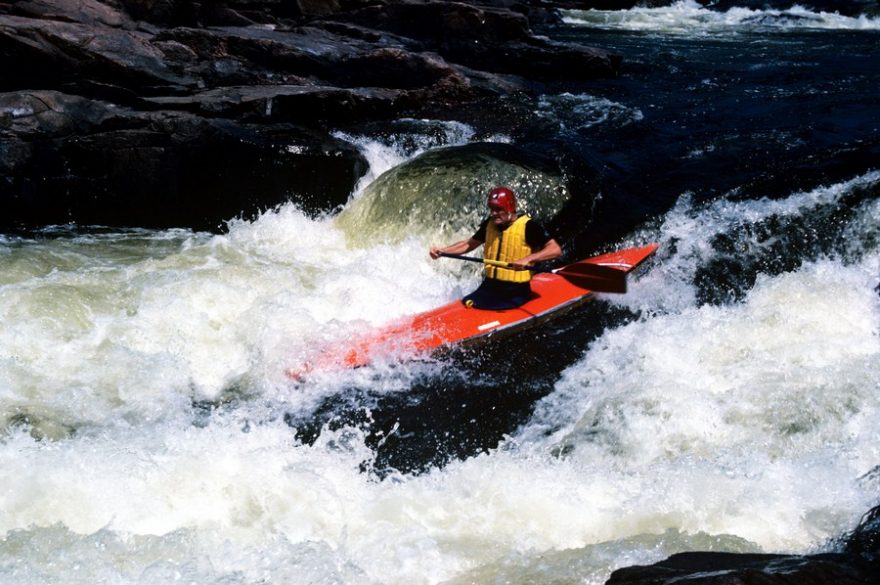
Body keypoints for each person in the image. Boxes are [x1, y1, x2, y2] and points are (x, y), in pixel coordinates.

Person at [429, 186, 562, 310]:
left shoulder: (529, 226)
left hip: (514, 292)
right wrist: (443, 251)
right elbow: (469, 244)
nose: (493, 213)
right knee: (468, 302)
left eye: (498, 209)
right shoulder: (490, 224)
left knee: (474, 305)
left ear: (510, 208)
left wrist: (528, 259)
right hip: (489, 286)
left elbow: (555, 249)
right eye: (492, 209)